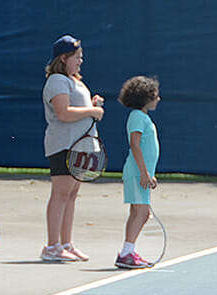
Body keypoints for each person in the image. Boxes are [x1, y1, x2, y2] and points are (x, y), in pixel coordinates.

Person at [41, 35, 105, 262]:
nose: (81, 61)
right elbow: (64, 113)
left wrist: (91, 104)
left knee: (71, 195)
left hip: (81, 146)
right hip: (63, 145)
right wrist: (91, 111)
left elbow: (76, 108)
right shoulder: (57, 80)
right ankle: (51, 247)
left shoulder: (75, 81)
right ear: (63, 58)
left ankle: (66, 244)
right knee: (60, 194)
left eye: (81, 57)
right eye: (76, 57)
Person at [115, 76, 161, 269]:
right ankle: (127, 253)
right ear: (145, 98)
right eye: (155, 96)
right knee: (141, 213)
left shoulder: (143, 117)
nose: (158, 99)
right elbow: (134, 145)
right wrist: (143, 173)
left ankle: (128, 252)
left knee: (137, 213)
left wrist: (149, 173)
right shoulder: (137, 117)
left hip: (141, 173)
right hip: (136, 173)